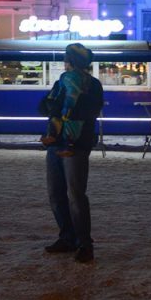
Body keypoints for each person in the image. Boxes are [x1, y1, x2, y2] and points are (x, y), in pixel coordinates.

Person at [39, 43, 104, 264]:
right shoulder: (61, 82)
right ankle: (67, 236)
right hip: (55, 143)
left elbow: (89, 111)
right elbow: (43, 106)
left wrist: (60, 108)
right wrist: (57, 108)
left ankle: (85, 243)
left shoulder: (93, 86)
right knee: (55, 194)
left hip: (76, 145)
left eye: (67, 59)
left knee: (76, 195)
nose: (64, 63)